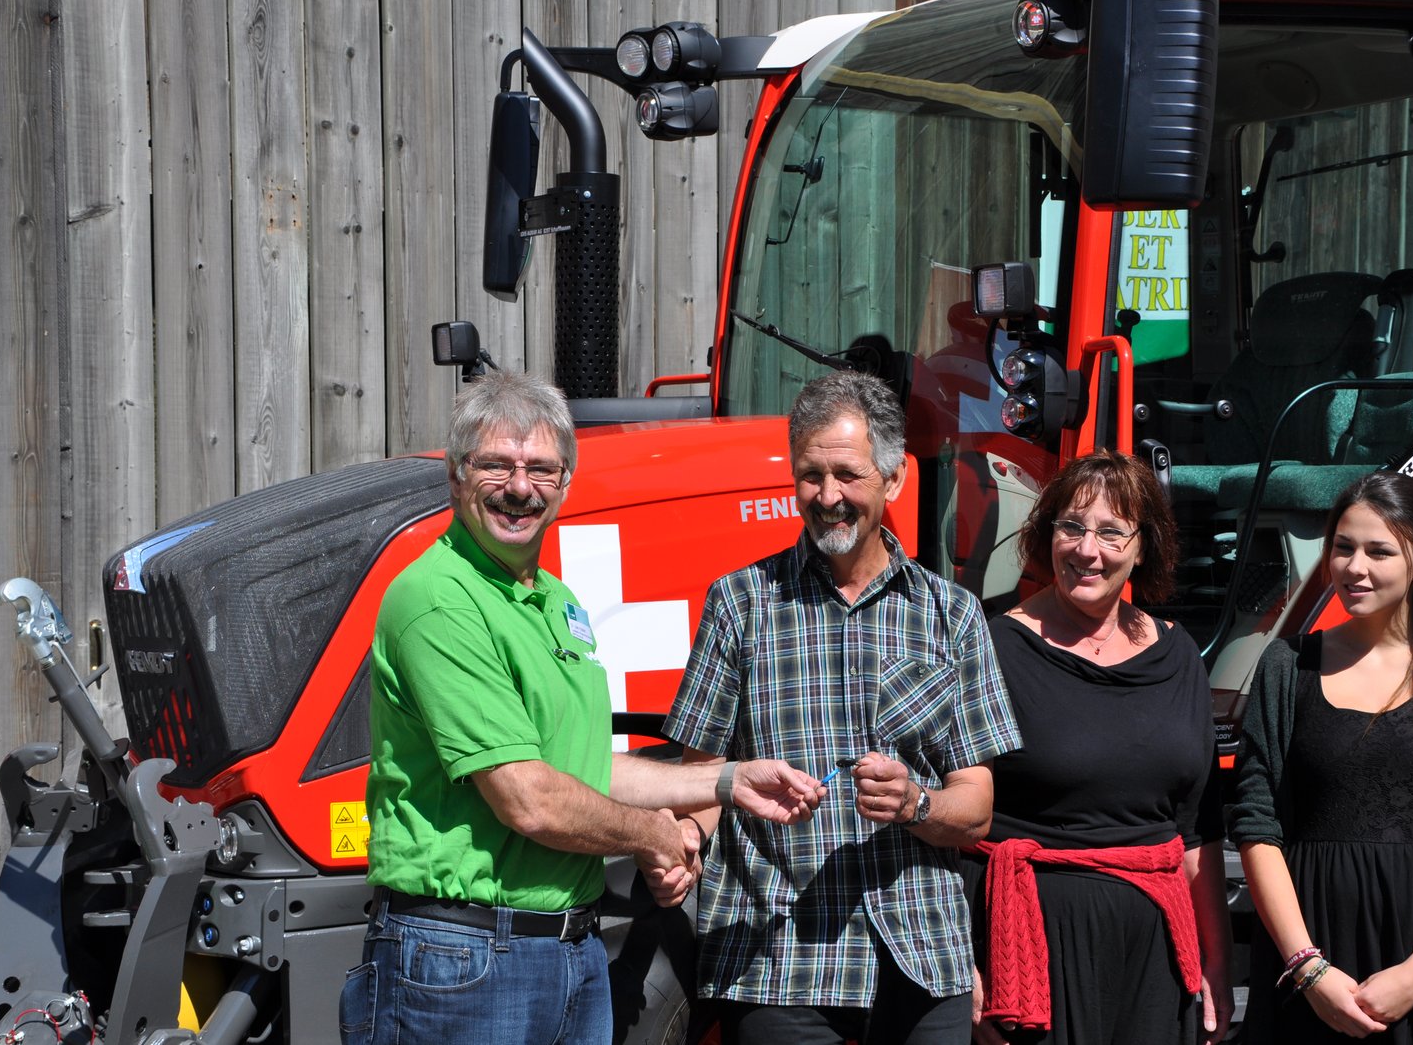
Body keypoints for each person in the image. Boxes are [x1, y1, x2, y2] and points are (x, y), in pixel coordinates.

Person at [340, 371, 823, 1045]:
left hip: (569, 952)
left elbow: (585, 767)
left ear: (566, 483)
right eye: (496, 465)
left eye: (541, 468)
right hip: (465, 960)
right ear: (454, 475)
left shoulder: (555, 600)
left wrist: (727, 780)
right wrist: (652, 835)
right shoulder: (439, 599)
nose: (520, 487)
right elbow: (529, 798)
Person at [663, 370, 1022, 1044]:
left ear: (894, 479)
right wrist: (684, 837)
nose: (828, 496)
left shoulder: (952, 614)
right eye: (811, 475)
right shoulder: (740, 603)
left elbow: (975, 808)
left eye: (847, 475)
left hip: (921, 952)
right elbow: (702, 777)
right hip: (778, 958)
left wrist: (915, 802)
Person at [1230, 471, 1413, 1043]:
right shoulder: (1287, 667)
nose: (1354, 567)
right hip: (1314, 962)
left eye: (1378, 551)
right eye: (1342, 547)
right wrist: (1309, 969)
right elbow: (1257, 826)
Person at [970, 450, 1233, 1045]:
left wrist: (1216, 961)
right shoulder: (991, 649)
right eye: (1072, 526)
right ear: (1047, 535)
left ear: (1144, 548)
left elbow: (1198, 831)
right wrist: (966, 969)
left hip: (1154, 956)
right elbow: (950, 820)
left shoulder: (1179, 655)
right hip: (1030, 954)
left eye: (1112, 532)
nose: (1087, 550)